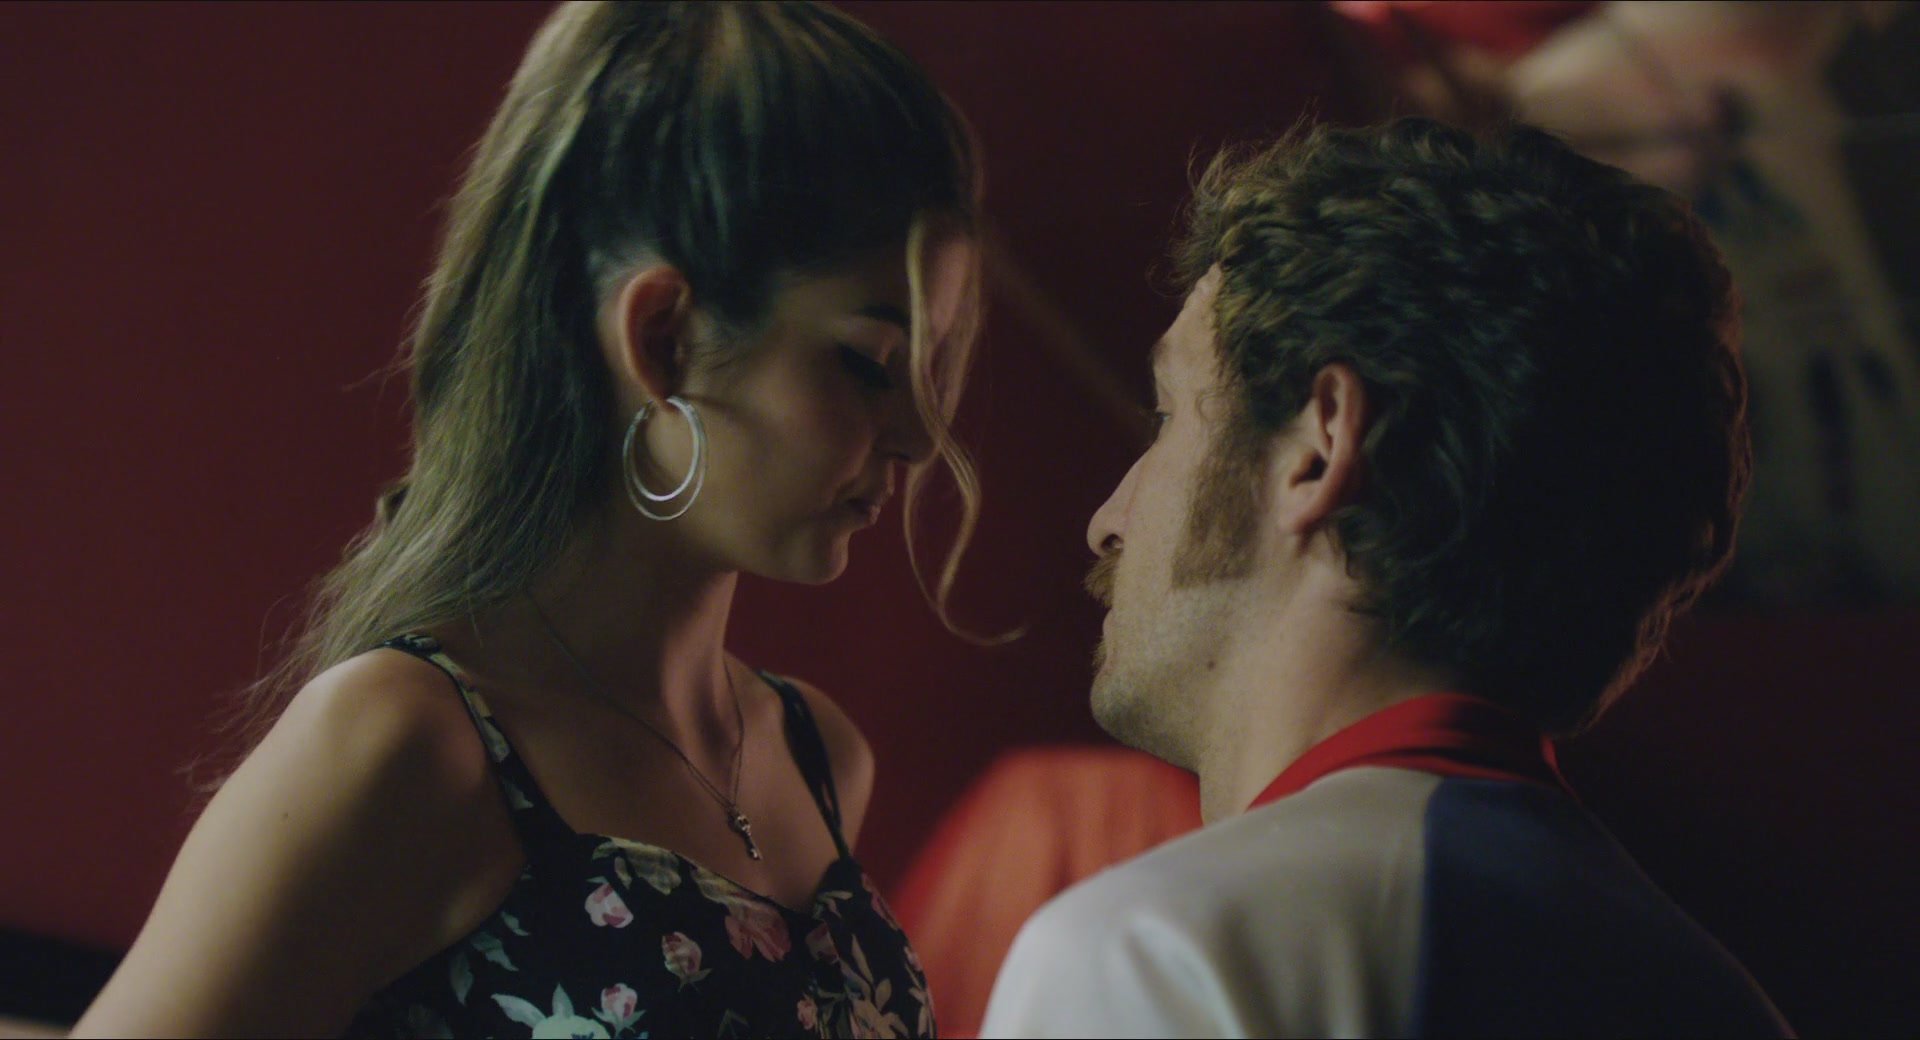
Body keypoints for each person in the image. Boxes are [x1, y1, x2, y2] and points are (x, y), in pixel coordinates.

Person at [74, 3, 979, 1036]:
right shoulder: (407, 746)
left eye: (930, 366)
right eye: (869, 361)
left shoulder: (819, 757)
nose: (919, 435)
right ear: (665, 339)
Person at [980, 118, 1793, 1038]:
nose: (1107, 519)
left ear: (1320, 446)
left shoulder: (1161, 952)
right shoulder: (1724, 1003)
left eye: (1168, 417)